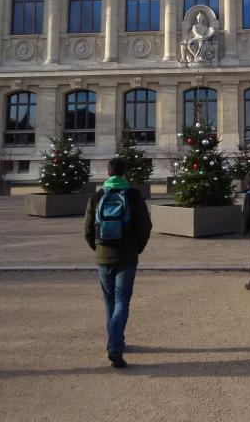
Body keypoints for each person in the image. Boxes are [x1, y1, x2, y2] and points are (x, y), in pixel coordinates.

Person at [84, 157, 152, 369]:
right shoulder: (133, 195)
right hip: (127, 256)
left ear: (107, 173)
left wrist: (99, 249)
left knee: (109, 301)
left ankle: (117, 341)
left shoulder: (97, 196)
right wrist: (136, 248)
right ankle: (115, 344)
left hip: (104, 255)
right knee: (122, 300)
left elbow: (87, 230)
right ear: (124, 174)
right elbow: (145, 227)